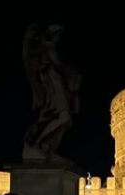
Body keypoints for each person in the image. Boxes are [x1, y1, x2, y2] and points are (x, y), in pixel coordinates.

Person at [22, 24, 81, 160]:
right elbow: (57, 65)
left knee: (64, 119)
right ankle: (38, 143)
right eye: (58, 34)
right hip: (53, 87)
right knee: (64, 116)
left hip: (57, 85)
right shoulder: (48, 48)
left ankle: (47, 146)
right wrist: (71, 73)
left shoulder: (50, 49)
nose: (59, 38)